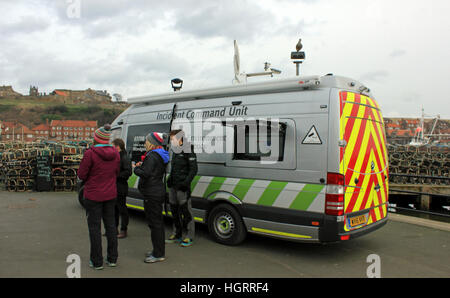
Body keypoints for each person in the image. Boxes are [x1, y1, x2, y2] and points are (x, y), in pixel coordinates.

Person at [77, 124, 120, 270]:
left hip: (94, 195)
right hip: (110, 194)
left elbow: (81, 175)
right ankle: (112, 258)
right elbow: (116, 172)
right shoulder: (115, 153)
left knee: (94, 228)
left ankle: (97, 261)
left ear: (96, 139)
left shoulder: (90, 153)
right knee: (111, 226)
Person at [133, 132, 169, 263]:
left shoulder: (152, 156)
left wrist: (136, 169)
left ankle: (158, 254)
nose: (145, 143)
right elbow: (152, 171)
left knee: (155, 224)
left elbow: (146, 173)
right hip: (157, 191)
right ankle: (157, 250)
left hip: (152, 193)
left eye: (147, 141)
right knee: (157, 223)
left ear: (152, 143)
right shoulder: (161, 154)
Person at [166, 129, 198, 247]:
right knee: (174, 211)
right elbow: (174, 168)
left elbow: (194, 169)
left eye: (172, 139)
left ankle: (189, 236)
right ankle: (177, 234)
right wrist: (170, 178)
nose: (171, 141)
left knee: (186, 212)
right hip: (173, 186)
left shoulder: (188, 149)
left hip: (182, 188)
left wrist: (186, 183)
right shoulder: (175, 150)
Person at [112, 138, 132, 239]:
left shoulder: (125, 157)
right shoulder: (116, 156)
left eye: (113, 146)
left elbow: (128, 172)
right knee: (114, 209)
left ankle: (124, 230)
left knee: (122, 209)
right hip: (114, 186)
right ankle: (114, 229)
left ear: (117, 147)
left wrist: (116, 176)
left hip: (121, 186)